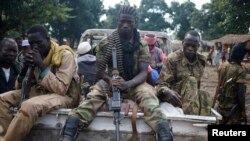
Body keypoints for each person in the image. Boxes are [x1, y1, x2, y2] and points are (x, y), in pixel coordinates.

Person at [60, 5, 173, 141]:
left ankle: (163, 133)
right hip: (109, 82)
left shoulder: (141, 44)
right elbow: (99, 71)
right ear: (117, 22)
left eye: (129, 22)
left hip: (135, 82)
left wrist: (128, 84)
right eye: (122, 22)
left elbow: (143, 72)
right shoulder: (106, 43)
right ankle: (68, 134)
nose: (125, 25)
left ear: (134, 23)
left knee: (150, 101)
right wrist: (109, 80)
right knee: (91, 100)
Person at [0, 25, 81, 141]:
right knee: (2, 99)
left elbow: (61, 89)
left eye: (38, 43)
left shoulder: (64, 55)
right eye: (31, 44)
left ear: (48, 40)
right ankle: (7, 136)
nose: (34, 47)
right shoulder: (36, 55)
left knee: (29, 105)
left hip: (65, 96)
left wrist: (41, 65)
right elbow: (19, 88)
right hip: (42, 92)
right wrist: (24, 69)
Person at [156, 30, 212, 116]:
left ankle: (204, 121)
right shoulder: (172, 59)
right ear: (183, 43)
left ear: (198, 46)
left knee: (205, 95)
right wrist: (167, 91)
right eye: (187, 45)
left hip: (191, 96)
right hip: (175, 98)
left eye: (194, 46)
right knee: (191, 80)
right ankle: (191, 118)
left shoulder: (201, 61)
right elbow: (161, 85)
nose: (190, 48)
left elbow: (198, 84)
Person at [213, 40, 250, 124]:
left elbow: (219, 84)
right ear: (241, 56)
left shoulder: (223, 65)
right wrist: (243, 111)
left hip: (221, 105)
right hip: (233, 109)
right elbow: (240, 93)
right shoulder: (239, 70)